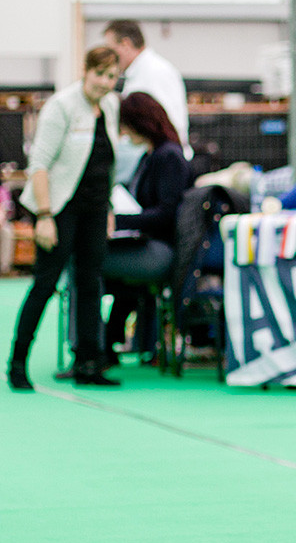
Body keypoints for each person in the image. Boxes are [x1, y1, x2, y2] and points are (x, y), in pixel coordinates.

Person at [6, 46, 122, 391]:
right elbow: (39, 164)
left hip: (96, 210)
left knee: (90, 285)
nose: (104, 82)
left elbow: (107, 164)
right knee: (45, 283)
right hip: (59, 209)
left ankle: (88, 363)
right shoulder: (62, 106)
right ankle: (16, 364)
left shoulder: (112, 106)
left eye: (111, 76)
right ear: (85, 71)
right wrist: (44, 215)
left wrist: (110, 208)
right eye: (99, 74)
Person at [103, 91, 192, 366]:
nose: (124, 132)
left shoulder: (169, 157)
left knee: (88, 263)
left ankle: (95, 346)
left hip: (161, 250)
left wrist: (118, 221)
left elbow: (166, 214)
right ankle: (106, 341)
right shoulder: (150, 155)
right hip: (143, 241)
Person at [103, 19, 191, 183]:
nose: (110, 58)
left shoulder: (154, 72)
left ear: (125, 44)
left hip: (165, 164)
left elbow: (166, 123)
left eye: (111, 50)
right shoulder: (139, 72)